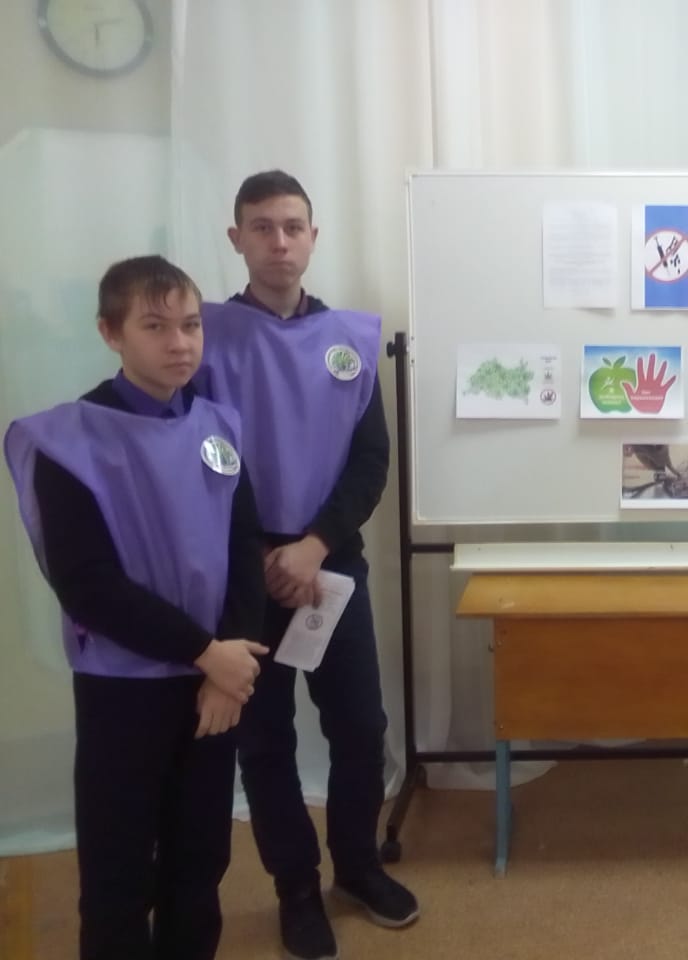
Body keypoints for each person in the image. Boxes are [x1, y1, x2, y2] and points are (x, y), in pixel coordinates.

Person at [3, 255, 267, 960]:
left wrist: (230, 665)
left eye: (191, 325)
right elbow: (88, 585)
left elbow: (244, 549)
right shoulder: (67, 442)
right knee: (119, 872)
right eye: (155, 327)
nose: (180, 343)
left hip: (216, 683)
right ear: (110, 332)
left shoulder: (219, 427)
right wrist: (205, 652)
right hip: (124, 689)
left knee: (200, 861)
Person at [198, 169, 417, 960]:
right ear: (237, 239)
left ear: (314, 237)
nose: (279, 242)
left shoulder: (349, 341)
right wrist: (260, 553)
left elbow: (371, 460)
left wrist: (315, 544)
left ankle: (356, 865)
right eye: (262, 227)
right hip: (243, 573)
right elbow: (198, 457)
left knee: (361, 727)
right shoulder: (206, 338)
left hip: (330, 564)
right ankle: (295, 887)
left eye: (292, 226)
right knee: (265, 743)